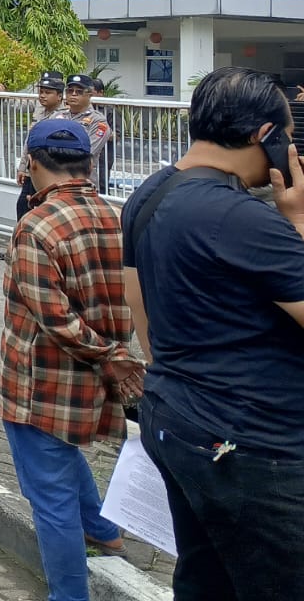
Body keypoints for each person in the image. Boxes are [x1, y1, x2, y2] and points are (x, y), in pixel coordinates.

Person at [122, 67, 304, 601]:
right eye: (288, 135)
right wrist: (298, 222)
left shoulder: (150, 193)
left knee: (206, 579)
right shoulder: (244, 219)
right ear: (263, 138)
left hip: (174, 420)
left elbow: (140, 309)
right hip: (253, 444)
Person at [0, 118, 142, 601]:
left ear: (32, 163)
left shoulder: (36, 227)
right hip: (92, 380)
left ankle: (68, 594)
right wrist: (117, 356)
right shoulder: (116, 215)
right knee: (63, 459)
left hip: (40, 382)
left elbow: (55, 320)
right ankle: (103, 530)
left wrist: (110, 356)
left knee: (49, 499)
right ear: (87, 162)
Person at [16, 72, 67, 219]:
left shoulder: (63, 116)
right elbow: (29, 141)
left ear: (59, 96)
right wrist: (22, 166)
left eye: (48, 92)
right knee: (23, 206)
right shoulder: (40, 111)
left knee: (43, 210)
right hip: (32, 169)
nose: (42, 95)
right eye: (41, 92)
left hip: (48, 171)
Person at [61, 74, 111, 189]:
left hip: (82, 183)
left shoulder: (98, 121)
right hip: (56, 181)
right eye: (70, 91)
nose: (73, 94)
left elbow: (86, 152)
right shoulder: (57, 115)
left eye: (79, 92)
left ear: (90, 94)